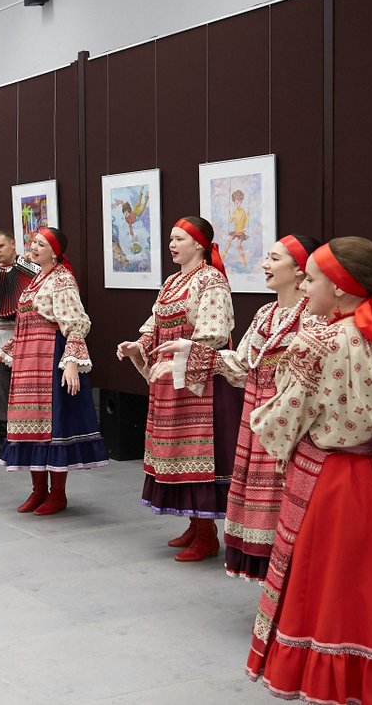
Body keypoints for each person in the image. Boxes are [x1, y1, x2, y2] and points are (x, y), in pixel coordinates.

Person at [245, 237, 372, 704]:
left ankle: (338, 684)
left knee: (332, 591)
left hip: (330, 484)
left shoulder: (315, 340)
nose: (304, 289)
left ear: (339, 288)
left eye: (313, 280)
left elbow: (280, 423)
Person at [157, 235, 321, 581]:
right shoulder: (267, 313)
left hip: (295, 431)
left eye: (274, 259)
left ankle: (299, 607)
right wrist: (185, 357)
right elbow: (243, 362)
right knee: (271, 514)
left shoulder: (314, 319)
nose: (265, 265)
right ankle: (279, 604)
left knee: (298, 516)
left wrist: (191, 355)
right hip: (260, 426)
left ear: (299, 270)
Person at [116, 216, 242, 562]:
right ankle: (193, 524)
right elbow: (154, 323)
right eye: (171, 239)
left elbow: (213, 332)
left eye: (178, 239)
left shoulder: (211, 280)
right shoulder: (172, 281)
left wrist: (181, 357)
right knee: (176, 452)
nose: (172, 245)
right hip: (171, 377)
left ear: (199, 244)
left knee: (198, 453)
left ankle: (207, 534)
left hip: (198, 380)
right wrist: (138, 345)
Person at [0, 227, 108, 515]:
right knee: (30, 424)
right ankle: (38, 490)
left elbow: (76, 322)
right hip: (28, 360)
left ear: (55, 251)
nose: (34, 247)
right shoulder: (37, 278)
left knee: (52, 426)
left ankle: (57, 494)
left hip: (48, 358)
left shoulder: (62, 279)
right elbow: (25, 326)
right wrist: (2, 352)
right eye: (34, 242)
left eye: (41, 244)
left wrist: (73, 361)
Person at [0, 230, 39, 456]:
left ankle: (27, 436)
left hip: (23, 335)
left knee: (25, 385)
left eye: (1, 246)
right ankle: (4, 437)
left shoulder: (30, 268)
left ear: (13, 244)